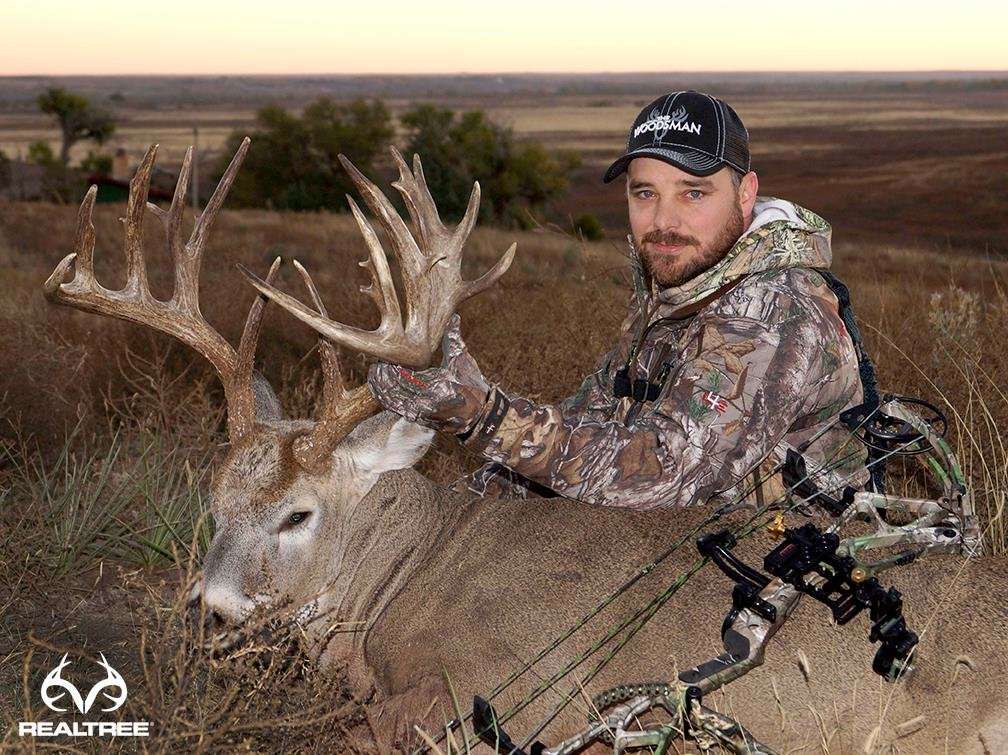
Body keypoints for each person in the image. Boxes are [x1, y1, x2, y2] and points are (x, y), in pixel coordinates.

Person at [367, 90, 873, 510]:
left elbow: (670, 471)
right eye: (644, 193)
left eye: (693, 193)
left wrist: (486, 416)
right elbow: (597, 415)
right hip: (676, 543)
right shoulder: (675, 287)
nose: (663, 222)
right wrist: (455, 510)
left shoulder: (771, 310)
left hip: (786, 578)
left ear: (745, 195)